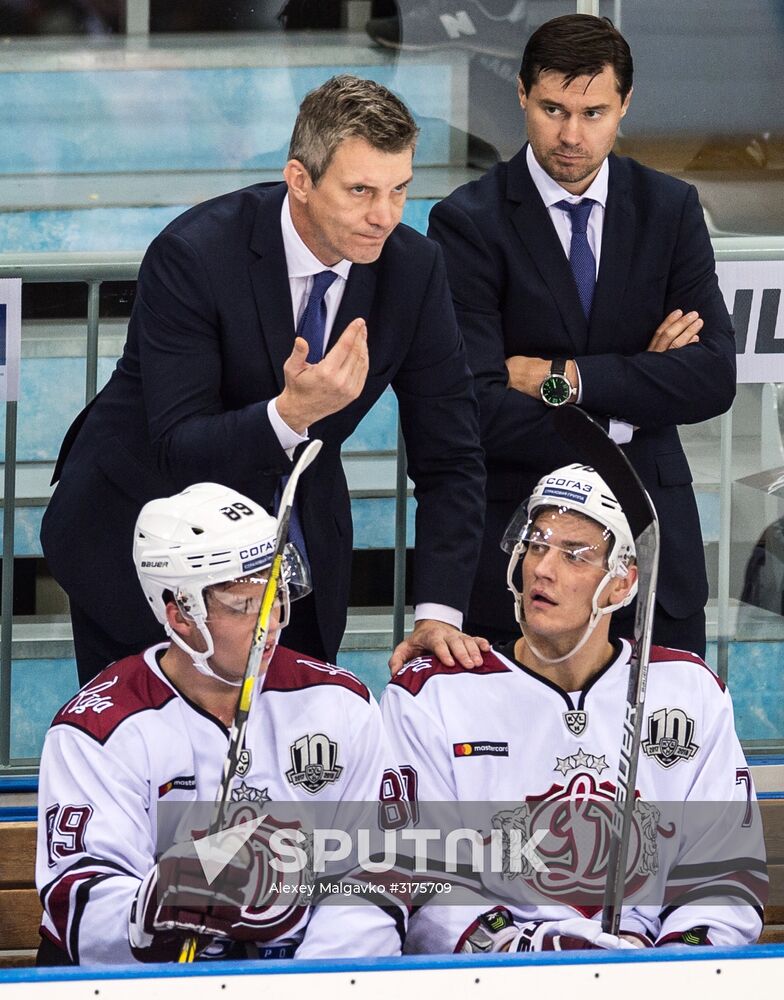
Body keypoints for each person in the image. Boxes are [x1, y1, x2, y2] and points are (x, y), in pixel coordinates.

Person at [41, 73, 487, 686]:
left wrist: (439, 610)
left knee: (293, 757)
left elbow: (452, 454)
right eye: (360, 191)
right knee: (163, 756)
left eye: (399, 190)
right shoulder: (193, 254)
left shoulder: (413, 269)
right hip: (143, 530)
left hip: (290, 542)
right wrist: (289, 416)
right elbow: (178, 442)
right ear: (300, 180)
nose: (384, 216)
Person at [427, 14, 737, 657]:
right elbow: (477, 408)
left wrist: (560, 377)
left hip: (653, 553)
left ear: (625, 105)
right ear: (520, 94)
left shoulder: (671, 208)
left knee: (664, 753)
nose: (571, 135)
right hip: (526, 565)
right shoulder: (467, 223)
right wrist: (636, 391)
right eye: (552, 109)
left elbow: (712, 376)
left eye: (593, 112)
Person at [381, 463, 765, 953]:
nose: (543, 567)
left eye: (575, 554)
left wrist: (673, 967)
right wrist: (539, 957)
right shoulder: (433, 694)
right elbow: (424, 881)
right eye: (537, 544)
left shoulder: (689, 690)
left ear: (622, 584)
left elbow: (724, 875)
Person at [36, 483, 406, 966]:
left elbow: (376, 874)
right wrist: (154, 908)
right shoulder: (99, 729)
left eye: (275, 594)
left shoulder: (340, 702)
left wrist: (311, 983)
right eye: (244, 605)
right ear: (179, 613)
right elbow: (81, 908)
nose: (270, 622)